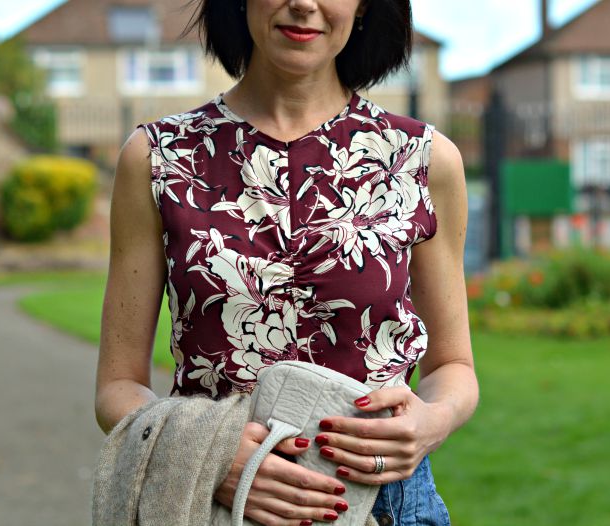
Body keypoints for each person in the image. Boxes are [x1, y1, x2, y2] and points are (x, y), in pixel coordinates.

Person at [95, 0, 479, 524]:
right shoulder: (158, 156)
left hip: (384, 503)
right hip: (214, 502)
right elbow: (116, 387)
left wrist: (433, 420)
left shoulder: (424, 159)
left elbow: (453, 367)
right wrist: (208, 459)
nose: (303, 3)